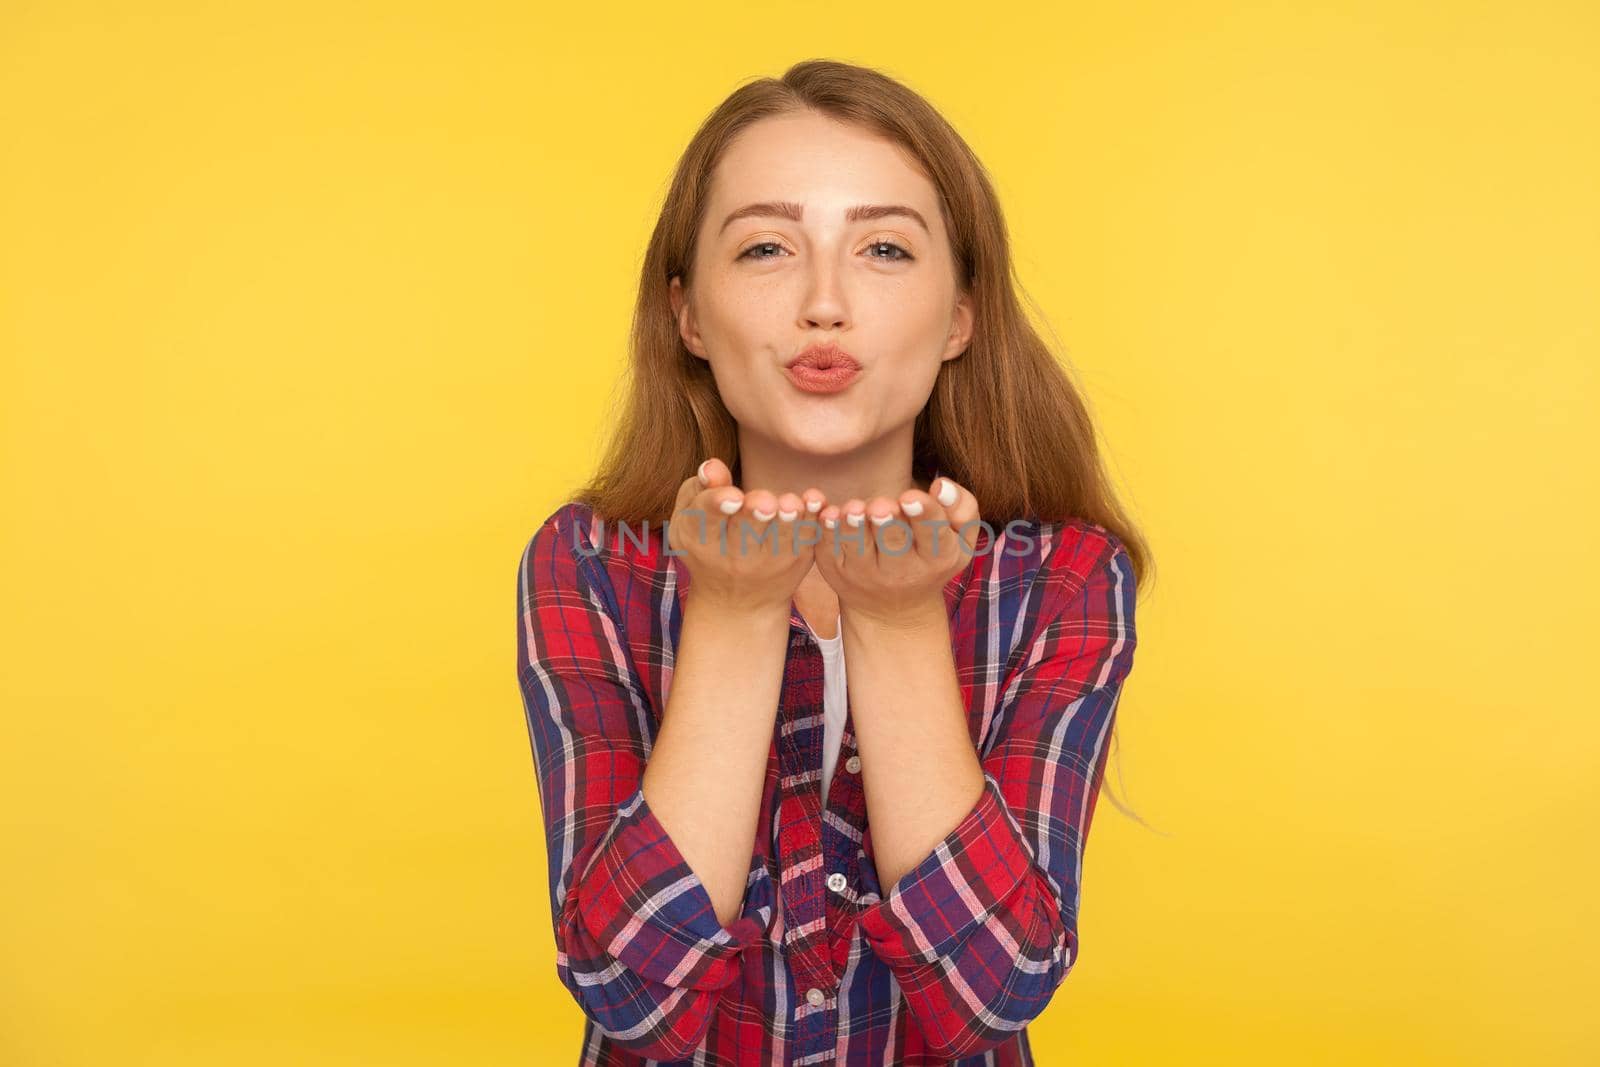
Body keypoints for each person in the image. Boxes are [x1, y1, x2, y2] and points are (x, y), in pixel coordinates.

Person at [516, 58, 1149, 1066]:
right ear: (686, 313)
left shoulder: (1062, 576)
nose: (824, 303)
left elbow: (995, 990)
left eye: (884, 249)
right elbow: (630, 994)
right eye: (766, 247)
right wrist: (732, 611)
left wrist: (898, 622)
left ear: (959, 315)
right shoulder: (592, 562)